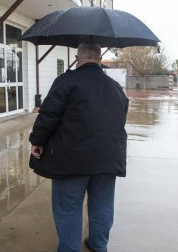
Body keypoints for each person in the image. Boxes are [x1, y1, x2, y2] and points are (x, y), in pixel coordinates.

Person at [29, 42, 129, 252]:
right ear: (100, 59)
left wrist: (37, 141)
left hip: (71, 160)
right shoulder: (115, 87)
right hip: (108, 160)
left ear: (77, 58)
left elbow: (48, 116)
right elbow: (120, 118)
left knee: (68, 208)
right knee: (102, 205)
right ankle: (98, 246)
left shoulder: (66, 81)